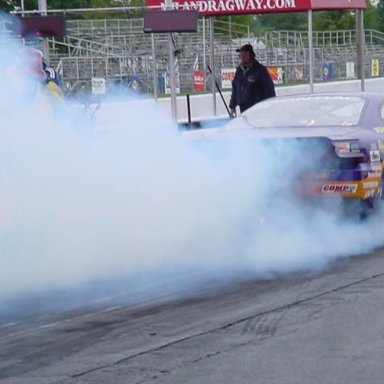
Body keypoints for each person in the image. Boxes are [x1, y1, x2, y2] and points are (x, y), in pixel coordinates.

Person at [229, 44, 276, 117]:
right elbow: (235, 88)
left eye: (244, 55)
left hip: (258, 108)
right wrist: (232, 106)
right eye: (240, 55)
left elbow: (269, 89)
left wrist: (270, 105)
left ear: (251, 55)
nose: (242, 57)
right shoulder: (239, 70)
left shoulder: (260, 70)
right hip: (243, 107)